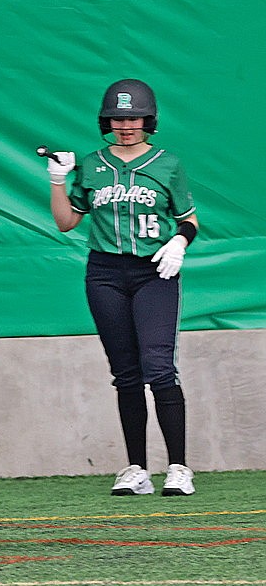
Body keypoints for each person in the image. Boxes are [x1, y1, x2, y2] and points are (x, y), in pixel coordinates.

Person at [46, 79, 199, 496]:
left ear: (148, 119)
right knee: (126, 373)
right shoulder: (94, 165)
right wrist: (58, 179)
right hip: (105, 273)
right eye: (118, 117)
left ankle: (179, 468)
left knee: (159, 367)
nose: (126, 125)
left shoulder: (168, 163)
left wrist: (179, 242)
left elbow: (189, 217)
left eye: (133, 117)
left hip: (155, 271)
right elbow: (66, 222)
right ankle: (136, 469)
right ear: (106, 121)